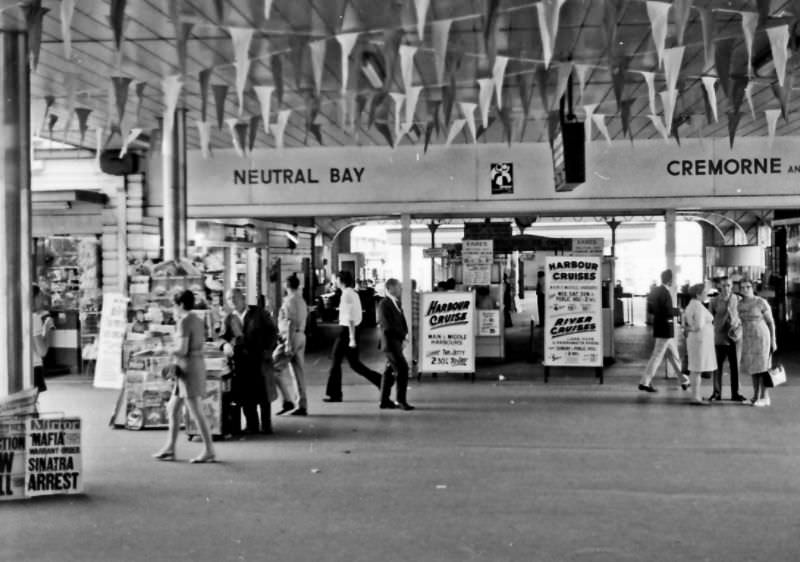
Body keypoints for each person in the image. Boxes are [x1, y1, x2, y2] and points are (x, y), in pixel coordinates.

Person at [154, 290, 216, 463]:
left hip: (187, 368)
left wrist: (165, 348)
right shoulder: (197, 319)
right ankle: (170, 448)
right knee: (172, 408)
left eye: (174, 305)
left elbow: (182, 349)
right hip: (192, 366)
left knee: (195, 410)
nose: (174, 308)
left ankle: (209, 449)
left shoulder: (184, 322)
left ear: (180, 304)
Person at [221, 288, 277, 434]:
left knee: (264, 394)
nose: (232, 301)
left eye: (234, 297)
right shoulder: (229, 318)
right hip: (241, 362)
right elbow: (222, 337)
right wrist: (225, 345)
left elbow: (272, 332)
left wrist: (268, 351)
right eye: (229, 298)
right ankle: (252, 425)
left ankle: (266, 424)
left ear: (242, 298)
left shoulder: (258, 313)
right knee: (246, 394)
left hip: (259, 359)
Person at [323, 270, 383, 402]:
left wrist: (351, 337)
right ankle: (380, 381)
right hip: (351, 330)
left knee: (336, 362)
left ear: (341, 280)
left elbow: (350, 317)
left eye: (336, 279)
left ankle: (335, 394)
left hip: (347, 332)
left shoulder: (347, 295)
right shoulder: (352, 293)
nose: (335, 281)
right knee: (354, 364)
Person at [639, 269, 690, 393]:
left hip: (661, 327)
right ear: (669, 280)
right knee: (657, 355)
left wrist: (663, 312)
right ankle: (645, 382)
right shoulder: (665, 292)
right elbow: (667, 311)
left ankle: (684, 381)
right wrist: (678, 311)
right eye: (673, 279)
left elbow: (651, 310)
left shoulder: (655, 291)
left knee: (674, 356)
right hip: (665, 329)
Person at [738, 280, 777, 407]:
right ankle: (755, 396)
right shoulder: (740, 304)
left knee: (763, 368)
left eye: (748, 287)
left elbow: (771, 322)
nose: (745, 289)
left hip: (762, 337)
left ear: (752, 287)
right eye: (742, 287)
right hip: (748, 338)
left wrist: (774, 340)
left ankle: (765, 397)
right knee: (753, 369)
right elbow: (738, 322)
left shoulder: (761, 302)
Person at [377, 278, 414, 410]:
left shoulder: (396, 303)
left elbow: (401, 322)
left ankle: (384, 400)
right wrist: (402, 335)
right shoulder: (384, 304)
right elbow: (387, 326)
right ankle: (401, 400)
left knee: (389, 371)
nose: (400, 289)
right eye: (398, 287)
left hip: (396, 343)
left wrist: (406, 335)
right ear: (390, 288)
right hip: (390, 344)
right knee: (403, 369)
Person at [708, 277, 746, 402]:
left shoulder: (738, 299)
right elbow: (709, 319)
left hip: (734, 337)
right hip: (719, 336)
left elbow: (743, 316)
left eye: (729, 285)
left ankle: (736, 393)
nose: (727, 288)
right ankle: (716, 393)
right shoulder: (714, 301)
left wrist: (739, 326)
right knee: (717, 366)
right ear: (720, 286)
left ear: (732, 286)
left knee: (735, 366)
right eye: (724, 285)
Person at [276, 274, 309, 416]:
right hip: (301, 335)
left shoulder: (289, 301)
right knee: (298, 371)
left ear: (286, 285)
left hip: (291, 337)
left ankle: (287, 401)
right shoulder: (301, 301)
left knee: (273, 368)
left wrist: (288, 343)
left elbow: (289, 322)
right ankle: (302, 405)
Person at [682, 283, 717, 405]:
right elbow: (699, 325)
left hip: (696, 340)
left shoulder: (691, 305)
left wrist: (687, 329)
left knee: (695, 368)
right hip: (700, 341)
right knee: (697, 369)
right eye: (705, 292)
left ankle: (695, 395)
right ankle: (695, 397)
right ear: (698, 294)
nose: (706, 294)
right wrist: (689, 329)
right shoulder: (698, 306)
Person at [31, 284, 55, 395]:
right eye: (40, 296)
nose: (42, 300)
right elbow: (42, 351)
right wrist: (47, 328)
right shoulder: (34, 319)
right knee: (31, 407)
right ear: (33, 298)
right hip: (34, 368)